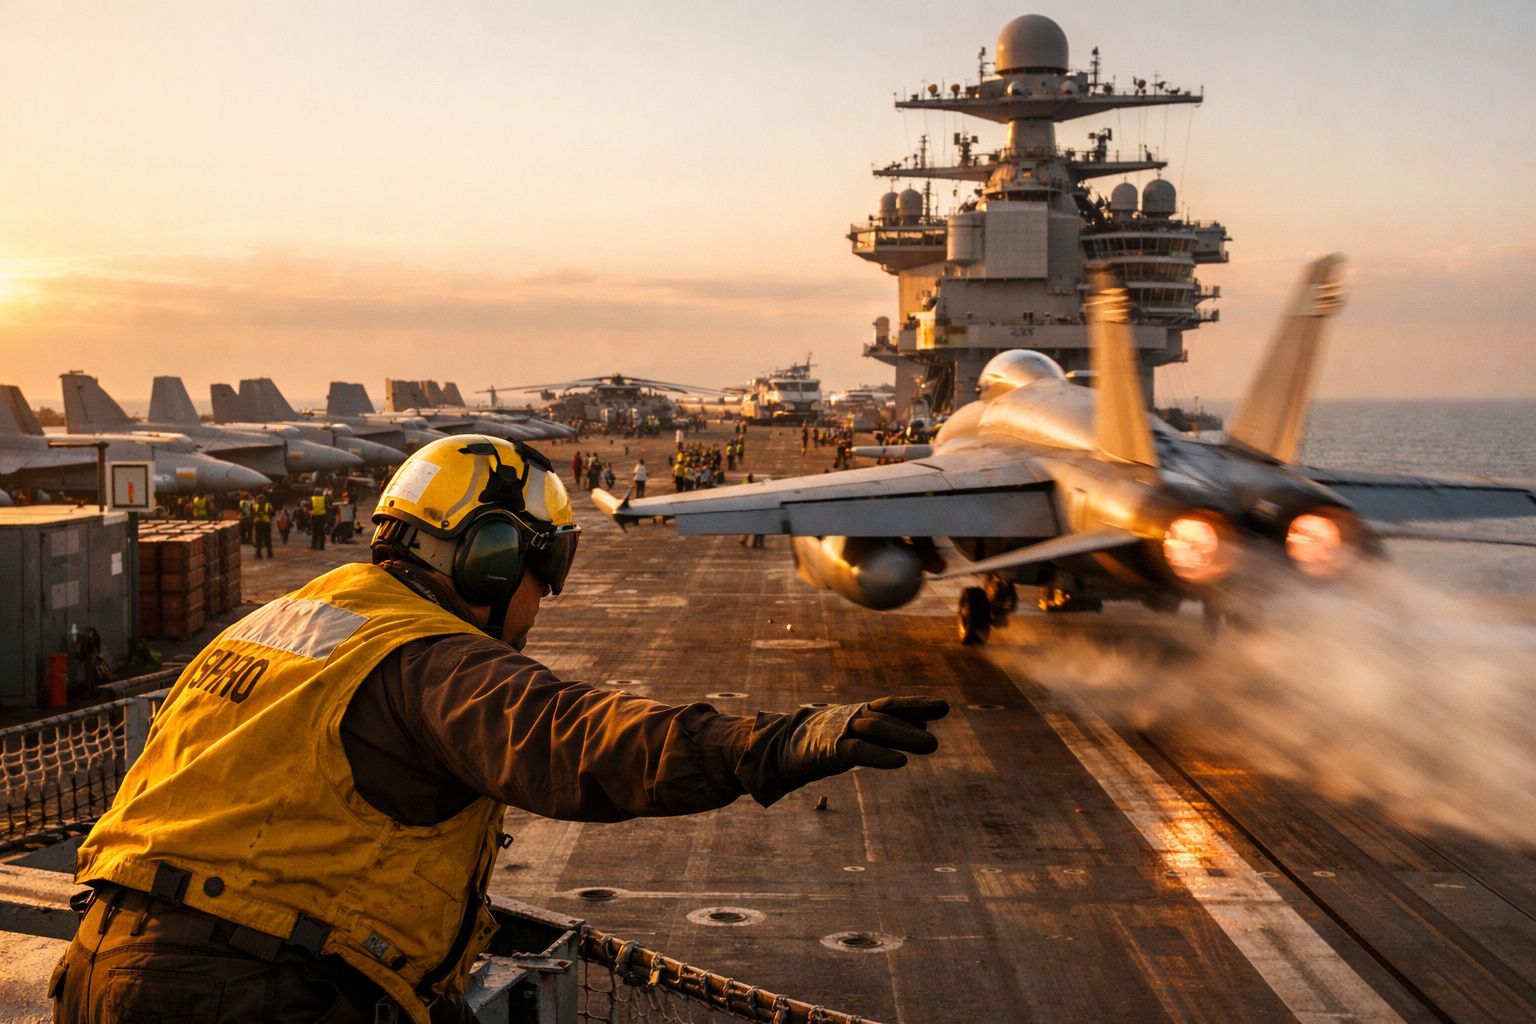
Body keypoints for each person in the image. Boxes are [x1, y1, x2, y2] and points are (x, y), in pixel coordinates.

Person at [51, 434, 946, 1023]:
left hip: (99, 963)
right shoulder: (429, 659)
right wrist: (772, 745)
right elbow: (577, 739)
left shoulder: (281, 619)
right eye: (539, 574)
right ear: (489, 557)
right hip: (241, 996)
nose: (538, 605)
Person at [251, 492, 275, 560]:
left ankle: (258, 554)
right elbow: (272, 513)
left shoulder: (254, 506)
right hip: (265, 523)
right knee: (267, 539)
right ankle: (269, 553)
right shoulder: (268, 505)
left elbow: (251, 514)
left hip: (258, 524)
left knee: (259, 539)